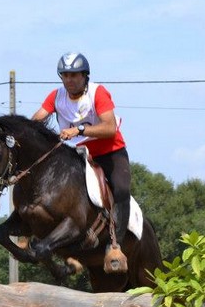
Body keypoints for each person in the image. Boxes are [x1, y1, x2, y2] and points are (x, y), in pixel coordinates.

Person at [32, 52, 131, 273]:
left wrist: (79, 129)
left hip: (109, 151)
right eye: (65, 75)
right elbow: (37, 119)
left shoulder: (98, 92)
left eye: (74, 75)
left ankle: (115, 247)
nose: (69, 80)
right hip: (75, 154)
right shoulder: (56, 96)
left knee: (122, 189)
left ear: (85, 75)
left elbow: (109, 127)